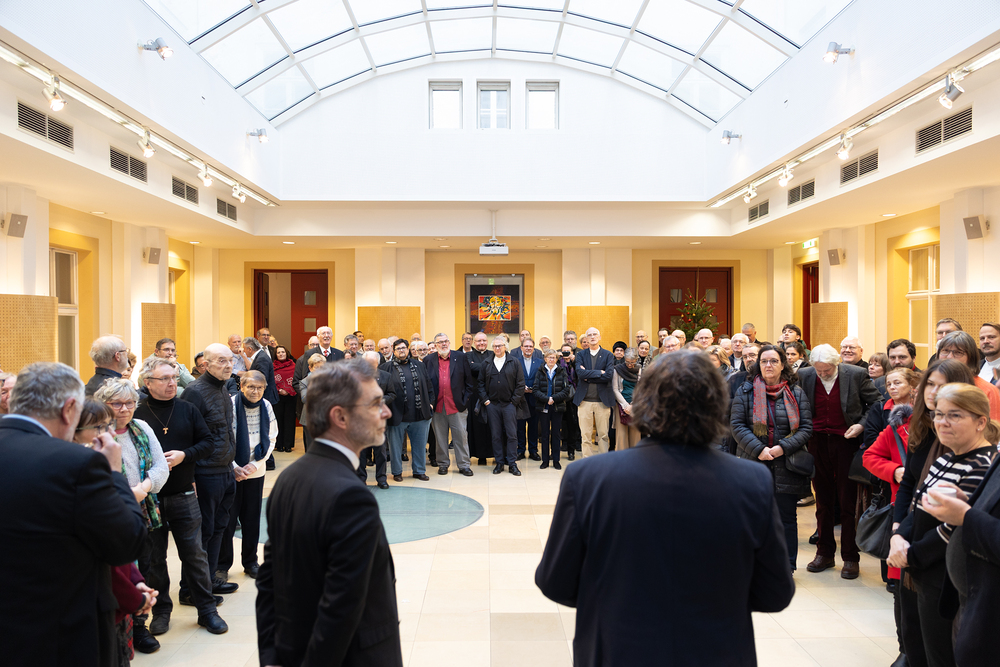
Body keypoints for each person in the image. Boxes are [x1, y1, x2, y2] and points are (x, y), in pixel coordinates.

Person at [537, 350, 794, 665]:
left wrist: (612, 600)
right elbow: (775, 593)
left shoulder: (588, 478)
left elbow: (556, 581)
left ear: (645, 402)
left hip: (619, 649)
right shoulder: (751, 481)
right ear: (717, 406)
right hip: (716, 651)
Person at [0, 362, 147, 667]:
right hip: (61, 633)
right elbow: (127, 540)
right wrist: (114, 473)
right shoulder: (76, 463)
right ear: (69, 409)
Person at [256, 360, 402, 667]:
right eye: (375, 403)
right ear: (341, 417)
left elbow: (269, 583)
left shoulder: (289, 478)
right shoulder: (351, 497)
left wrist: (270, 657)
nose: (386, 412)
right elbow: (340, 609)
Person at [890, 383, 998, 667]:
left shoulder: (982, 462)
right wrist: (898, 537)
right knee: (915, 648)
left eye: (954, 415)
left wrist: (911, 555)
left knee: (938, 656)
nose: (942, 422)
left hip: (940, 574)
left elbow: (952, 528)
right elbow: (918, 505)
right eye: (938, 414)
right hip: (917, 568)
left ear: (980, 422)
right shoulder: (945, 457)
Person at [132, 358, 227, 637]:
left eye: (173, 378)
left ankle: (207, 611)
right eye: (164, 379)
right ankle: (162, 611)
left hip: (183, 494)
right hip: (151, 499)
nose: (172, 383)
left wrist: (185, 455)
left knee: (195, 555)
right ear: (147, 383)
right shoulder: (138, 414)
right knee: (155, 559)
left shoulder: (187, 408)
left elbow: (208, 443)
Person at [94, 378, 171, 653]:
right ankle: (119, 630)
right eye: (117, 403)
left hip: (143, 510)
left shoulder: (142, 428)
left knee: (143, 569)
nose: (124, 409)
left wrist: (142, 489)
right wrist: (127, 495)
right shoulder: (95, 435)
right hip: (109, 513)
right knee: (119, 571)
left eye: (129, 403)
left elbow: (161, 466)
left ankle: (140, 628)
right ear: (104, 405)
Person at [798, 344, 881, 578]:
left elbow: (876, 403)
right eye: (819, 370)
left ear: (837, 364)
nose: (822, 374)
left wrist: (861, 425)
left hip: (846, 441)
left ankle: (850, 557)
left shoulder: (855, 374)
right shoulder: (805, 375)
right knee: (822, 500)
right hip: (816, 441)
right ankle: (824, 553)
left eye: (827, 370)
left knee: (847, 501)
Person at [925, 415, 1000, 667]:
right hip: (976, 601)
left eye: (954, 415)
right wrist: (969, 504)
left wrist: (966, 516)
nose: (943, 422)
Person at [732, 344, 814, 572]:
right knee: (753, 517)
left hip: (786, 464)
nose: (769, 365)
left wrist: (782, 448)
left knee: (786, 518)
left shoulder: (796, 392)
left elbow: (806, 428)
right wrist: (759, 449)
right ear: (758, 365)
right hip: (753, 462)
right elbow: (737, 425)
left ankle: (786, 566)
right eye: (764, 361)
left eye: (774, 361)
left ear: (782, 364)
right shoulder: (745, 391)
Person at [862, 367, 919, 664]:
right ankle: (905, 649)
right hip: (902, 509)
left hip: (938, 515)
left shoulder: (944, 427)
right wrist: (894, 471)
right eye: (889, 383)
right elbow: (869, 456)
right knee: (901, 588)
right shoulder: (896, 426)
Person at [179, 343, 241, 597]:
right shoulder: (194, 392)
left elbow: (225, 430)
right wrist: (190, 477)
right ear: (205, 364)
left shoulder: (223, 387)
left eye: (231, 360)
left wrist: (232, 466)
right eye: (221, 361)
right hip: (205, 473)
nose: (228, 365)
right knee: (203, 533)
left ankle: (209, 579)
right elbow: (186, 436)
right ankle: (190, 589)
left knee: (219, 528)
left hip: (225, 470)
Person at [219, 371, 276, 581]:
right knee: (228, 520)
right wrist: (234, 466)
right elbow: (224, 437)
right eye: (251, 387)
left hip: (255, 471)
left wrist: (255, 464)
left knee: (252, 519)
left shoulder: (266, 406)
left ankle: (251, 562)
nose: (255, 391)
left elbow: (272, 437)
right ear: (241, 386)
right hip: (231, 470)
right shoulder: (230, 404)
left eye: (259, 388)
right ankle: (222, 565)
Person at [382, 338, 434, 482]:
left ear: (408, 349)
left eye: (403, 348)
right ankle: (397, 472)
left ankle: (419, 471)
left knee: (419, 445)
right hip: (396, 414)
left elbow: (429, 385)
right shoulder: (386, 367)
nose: (401, 351)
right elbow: (382, 389)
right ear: (393, 351)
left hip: (420, 413)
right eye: (398, 349)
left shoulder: (419, 365)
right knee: (395, 447)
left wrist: (431, 403)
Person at [424, 332, 474, 476]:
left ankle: (464, 465)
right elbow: (426, 383)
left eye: (445, 341)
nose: (444, 344)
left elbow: (469, 382)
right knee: (440, 438)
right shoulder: (428, 360)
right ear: (435, 345)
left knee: (461, 437)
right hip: (438, 406)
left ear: (449, 342)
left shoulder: (461, 357)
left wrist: (465, 401)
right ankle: (443, 464)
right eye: (440, 342)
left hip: (457, 406)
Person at [479, 335, 525, 475]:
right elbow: (480, 383)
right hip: (492, 405)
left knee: (512, 435)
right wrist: (486, 401)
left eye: (499, 346)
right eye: (495, 346)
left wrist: (514, 401)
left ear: (505, 347)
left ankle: (512, 464)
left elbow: (520, 384)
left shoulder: (514, 362)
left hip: (509, 405)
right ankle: (499, 463)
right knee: (496, 435)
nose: (497, 348)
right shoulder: (486, 363)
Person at [937, 330, 1000, 418]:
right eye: (945, 351)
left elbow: (993, 426)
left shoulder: (988, 391)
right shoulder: (931, 386)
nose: (949, 357)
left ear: (970, 358)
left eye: (958, 352)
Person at [574, 327, 615, 457]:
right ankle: (587, 461)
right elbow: (580, 374)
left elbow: (608, 376)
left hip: (602, 401)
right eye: (589, 335)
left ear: (599, 337)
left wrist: (588, 376)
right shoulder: (581, 355)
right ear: (586, 338)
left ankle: (603, 461)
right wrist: (599, 373)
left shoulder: (608, 355)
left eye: (595, 334)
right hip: (584, 401)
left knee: (603, 435)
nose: (592, 337)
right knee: (585, 436)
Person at [533, 348, 571, 469]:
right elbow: (535, 390)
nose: (551, 359)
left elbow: (566, 389)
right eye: (549, 357)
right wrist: (546, 399)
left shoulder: (561, 371)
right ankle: (545, 460)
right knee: (544, 434)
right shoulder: (540, 371)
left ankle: (556, 460)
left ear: (556, 359)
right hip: (544, 406)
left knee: (556, 434)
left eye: (553, 357)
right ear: (545, 359)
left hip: (557, 407)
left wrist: (553, 398)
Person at [515, 337, 544, 461]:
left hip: (534, 398)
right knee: (520, 426)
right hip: (520, 399)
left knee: (533, 426)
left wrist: (535, 388)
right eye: (526, 346)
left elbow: (542, 379)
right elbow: (512, 378)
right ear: (521, 347)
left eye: (530, 346)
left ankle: (533, 450)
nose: (528, 348)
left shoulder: (540, 362)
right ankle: (520, 450)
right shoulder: (515, 361)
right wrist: (521, 388)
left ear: (534, 348)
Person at [611, 347, 643, 450]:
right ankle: (622, 457)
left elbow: (640, 388)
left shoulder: (639, 369)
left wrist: (633, 404)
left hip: (635, 405)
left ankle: (635, 456)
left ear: (636, 360)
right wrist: (625, 405)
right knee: (621, 435)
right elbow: (615, 389)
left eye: (632, 362)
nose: (630, 364)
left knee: (635, 434)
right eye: (627, 362)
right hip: (621, 405)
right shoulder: (618, 369)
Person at [298, 353, 327, 452]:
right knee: (312, 448)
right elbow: (305, 399)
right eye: (316, 367)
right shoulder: (304, 382)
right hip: (310, 419)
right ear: (310, 368)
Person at [272, 345, 297, 452]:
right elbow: (271, 381)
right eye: (278, 352)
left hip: (291, 396)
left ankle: (288, 445)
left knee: (289, 420)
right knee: (278, 420)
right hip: (277, 397)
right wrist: (279, 390)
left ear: (286, 353)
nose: (281, 354)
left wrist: (288, 390)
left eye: (283, 352)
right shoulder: (272, 366)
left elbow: (296, 379)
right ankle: (279, 445)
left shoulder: (294, 365)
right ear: (275, 354)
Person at [559, 342, 581, 461]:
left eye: (568, 351)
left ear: (572, 353)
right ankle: (556, 451)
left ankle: (571, 451)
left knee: (572, 425)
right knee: (558, 425)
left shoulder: (577, 363)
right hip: (559, 397)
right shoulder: (558, 363)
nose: (566, 354)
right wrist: (557, 358)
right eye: (564, 351)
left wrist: (574, 361)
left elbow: (581, 375)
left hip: (573, 399)